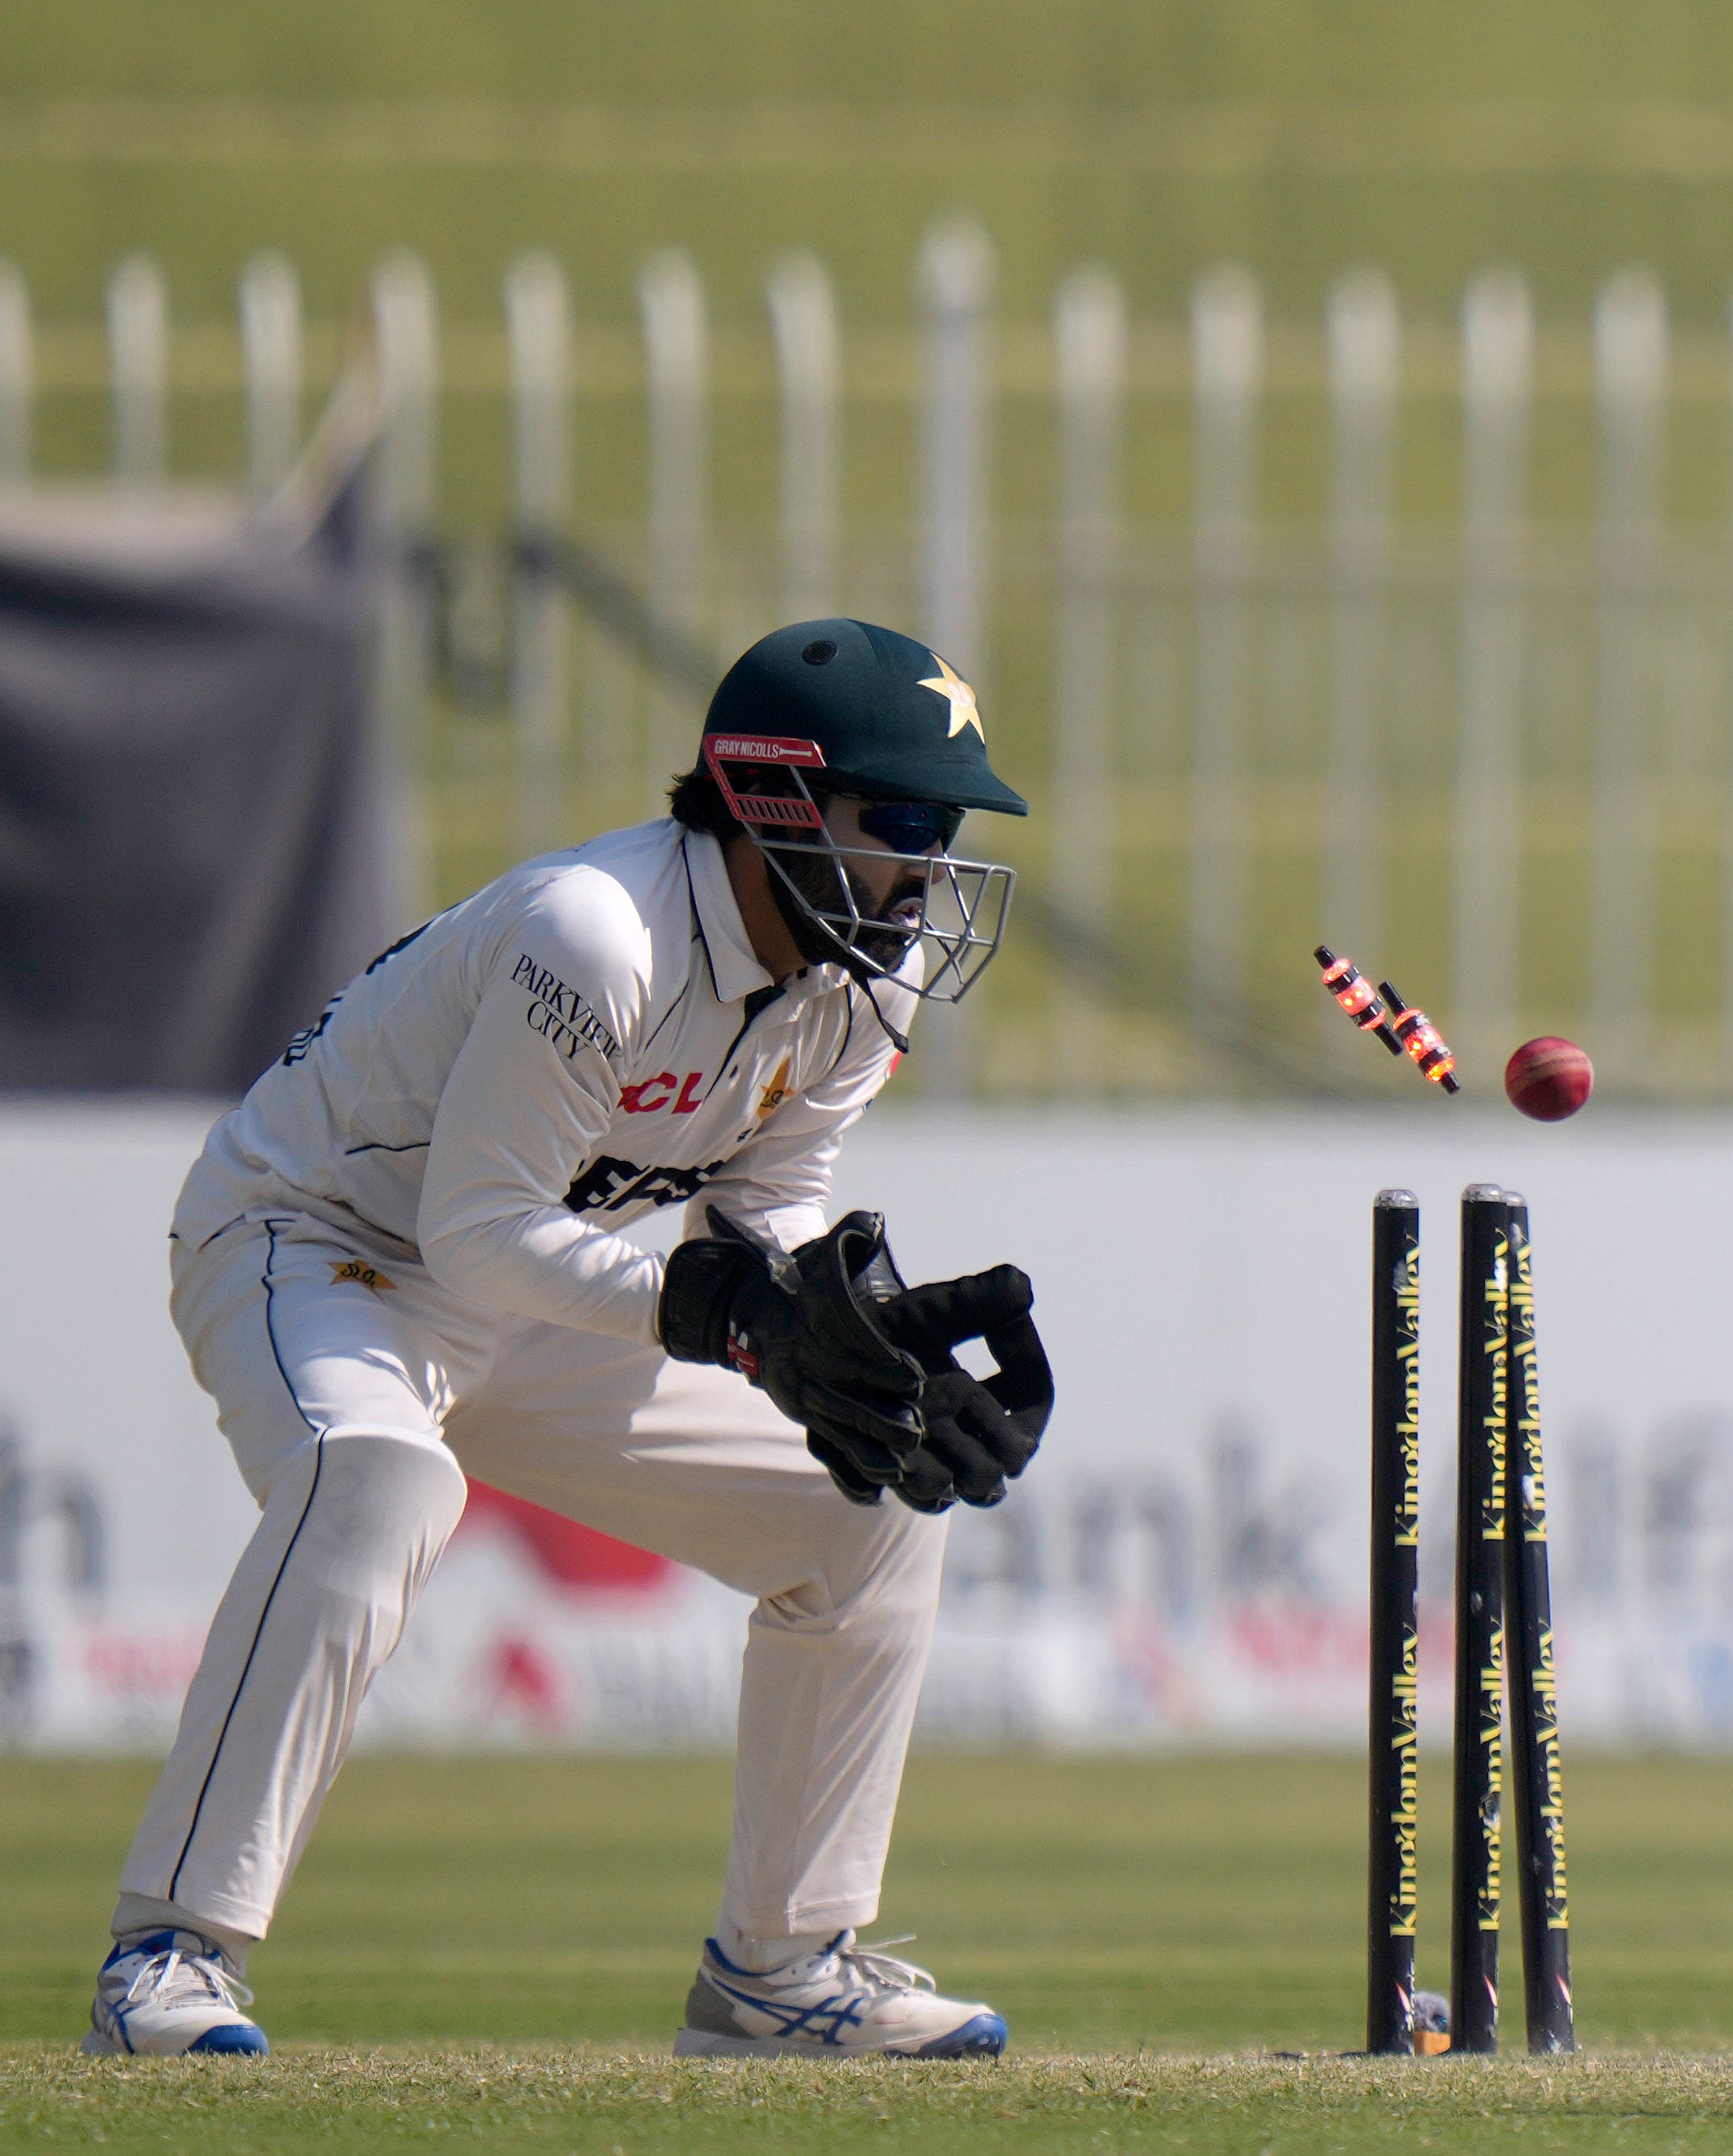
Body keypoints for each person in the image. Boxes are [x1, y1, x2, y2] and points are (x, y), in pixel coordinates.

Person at [85, 618, 1056, 2059]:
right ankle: (169, 1949)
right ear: (775, 803)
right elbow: (478, 1227)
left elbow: (762, 1208)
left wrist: (845, 1339)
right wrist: (734, 1315)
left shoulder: (869, 980)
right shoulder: (592, 935)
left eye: (944, 825)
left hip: (536, 1289)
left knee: (868, 1497)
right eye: (899, 819)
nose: (928, 864)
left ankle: (780, 1971)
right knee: (380, 1473)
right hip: (319, 1241)